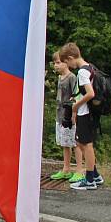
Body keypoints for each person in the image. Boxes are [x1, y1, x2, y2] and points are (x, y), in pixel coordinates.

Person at [60, 42, 104, 190]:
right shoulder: (89, 67)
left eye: (67, 62)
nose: (69, 65)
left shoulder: (82, 72)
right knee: (81, 143)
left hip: (86, 112)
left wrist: (76, 106)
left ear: (71, 57)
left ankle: (90, 179)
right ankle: (96, 175)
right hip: (87, 112)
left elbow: (90, 93)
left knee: (87, 145)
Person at [50, 51, 81, 181]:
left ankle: (79, 170)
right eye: (54, 63)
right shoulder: (59, 78)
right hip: (60, 115)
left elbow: (76, 96)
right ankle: (66, 169)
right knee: (64, 143)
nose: (55, 65)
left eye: (58, 63)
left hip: (70, 116)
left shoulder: (72, 77)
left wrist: (74, 113)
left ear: (66, 63)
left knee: (75, 143)